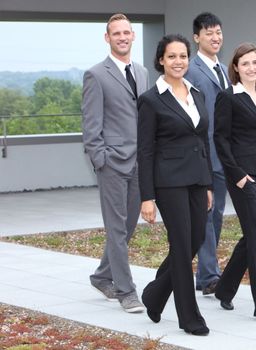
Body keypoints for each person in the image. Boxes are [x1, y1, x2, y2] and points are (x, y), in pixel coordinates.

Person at [138, 34, 213, 336]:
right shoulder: (151, 100)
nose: (178, 62)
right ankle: (189, 317)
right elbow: (144, 151)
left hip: (196, 180)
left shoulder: (197, 94)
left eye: (183, 56)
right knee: (181, 246)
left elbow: (202, 142)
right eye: (172, 56)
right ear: (161, 60)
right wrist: (147, 197)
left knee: (194, 241)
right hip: (168, 183)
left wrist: (207, 183)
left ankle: (155, 294)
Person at [82, 13, 149, 313]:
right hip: (112, 164)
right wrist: (101, 160)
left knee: (128, 225)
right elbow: (91, 125)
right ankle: (126, 291)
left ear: (133, 36)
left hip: (139, 164)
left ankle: (101, 275)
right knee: (117, 229)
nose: (122, 37)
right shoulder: (96, 75)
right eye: (116, 33)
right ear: (107, 38)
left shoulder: (143, 72)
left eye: (126, 32)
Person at [213, 43, 256, 322]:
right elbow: (220, 139)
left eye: (255, 63)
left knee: (253, 235)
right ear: (236, 68)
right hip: (243, 177)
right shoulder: (228, 97)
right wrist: (238, 175)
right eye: (245, 64)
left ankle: (224, 288)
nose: (251, 68)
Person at [185, 12, 229, 295]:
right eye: (209, 33)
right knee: (206, 215)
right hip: (203, 155)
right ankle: (209, 275)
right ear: (196, 37)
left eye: (218, 32)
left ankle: (205, 273)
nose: (215, 37)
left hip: (225, 155)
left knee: (217, 215)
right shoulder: (189, 69)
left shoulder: (225, 69)